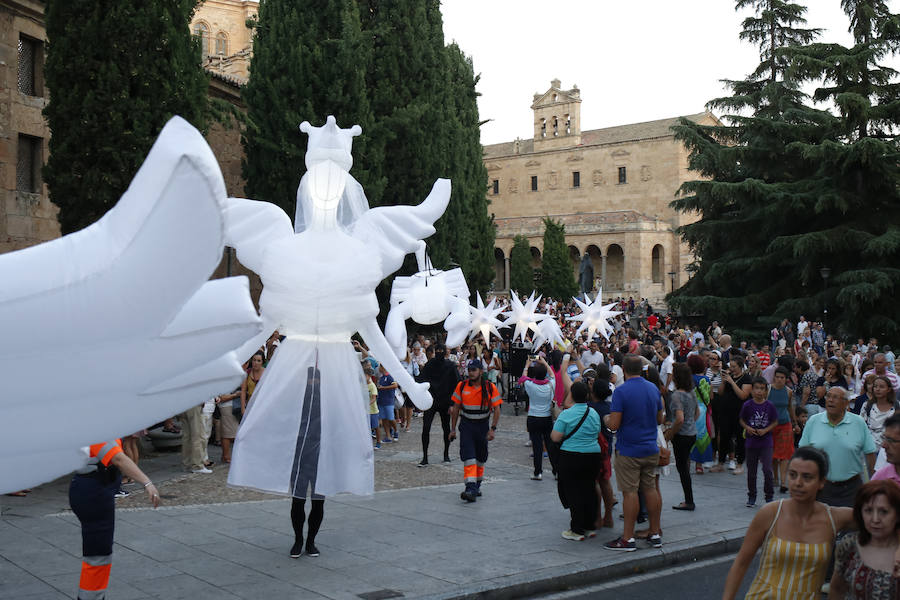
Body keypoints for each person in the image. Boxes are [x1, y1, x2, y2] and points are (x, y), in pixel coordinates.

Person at [721, 447, 855, 599]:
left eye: (807, 477)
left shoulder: (834, 518)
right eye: (792, 475)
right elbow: (741, 563)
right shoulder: (770, 513)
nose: (798, 483)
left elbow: (879, 520)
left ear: (822, 482)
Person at [69, 439, 160, 599]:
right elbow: (118, 458)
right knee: (97, 555)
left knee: (99, 553)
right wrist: (147, 483)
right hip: (93, 491)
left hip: (94, 488)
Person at [602, 355, 664, 551]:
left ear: (624, 369)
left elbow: (614, 424)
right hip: (650, 447)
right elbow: (659, 419)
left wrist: (605, 419)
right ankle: (655, 533)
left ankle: (627, 538)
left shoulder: (621, 391)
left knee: (630, 493)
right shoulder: (653, 388)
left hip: (629, 449)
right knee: (650, 489)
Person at [799, 387, 876, 507]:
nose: (830, 400)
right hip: (820, 487)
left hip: (851, 488)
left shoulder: (858, 422)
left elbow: (870, 454)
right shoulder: (814, 421)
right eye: (828, 396)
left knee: (851, 524)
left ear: (846, 403)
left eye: (835, 397)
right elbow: (802, 455)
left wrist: (873, 485)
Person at [551, 369, 602, 541]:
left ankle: (577, 528)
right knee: (588, 490)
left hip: (571, 456)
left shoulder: (567, 414)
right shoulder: (593, 413)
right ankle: (589, 526)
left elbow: (555, 437)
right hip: (593, 456)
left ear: (572, 396)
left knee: (573, 492)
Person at [830, 480, 900, 598]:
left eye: (884, 512)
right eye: (868, 510)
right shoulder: (849, 545)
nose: (875, 519)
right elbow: (837, 588)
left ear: (897, 515)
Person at [449, 360, 502, 502]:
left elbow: (497, 408)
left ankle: (477, 485)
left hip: (482, 426)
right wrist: (452, 429)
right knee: (469, 457)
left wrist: (493, 429)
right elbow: (455, 408)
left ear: (480, 371)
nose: (471, 372)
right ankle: (470, 487)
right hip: (466, 426)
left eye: (474, 370)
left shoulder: (490, 387)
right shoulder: (461, 386)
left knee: (480, 458)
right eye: (469, 370)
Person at [740, 377, 778, 507]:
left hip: (766, 442)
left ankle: (769, 495)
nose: (759, 391)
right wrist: (748, 428)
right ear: (752, 390)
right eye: (756, 388)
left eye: (762, 389)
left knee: (767, 469)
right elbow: (742, 420)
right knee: (752, 471)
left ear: (766, 391)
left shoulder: (770, 406)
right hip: (751, 442)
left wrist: (766, 430)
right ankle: (752, 495)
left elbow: (775, 421)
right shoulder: (747, 405)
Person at [418, 344, 459, 466]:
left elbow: (456, 384)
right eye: (438, 350)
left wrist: (452, 403)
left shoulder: (450, 366)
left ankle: (446, 454)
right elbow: (421, 379)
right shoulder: (430, 364)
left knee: (446, 428)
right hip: (431, 400)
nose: (440, 352)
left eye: (442, 350)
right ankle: (425, 456)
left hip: (445, 401)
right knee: (426, 428)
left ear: (445, 352)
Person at [666, 363, 698, 511]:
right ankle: (689, 499)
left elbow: (679, 419)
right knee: (685, 466)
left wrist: (671, 433)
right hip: (692, 433)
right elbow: (697, 412)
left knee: (682, 468)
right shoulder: (691, 392)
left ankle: (689, 501)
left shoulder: (677, 395)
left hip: (682, 435)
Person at [520, 355, 556, 480]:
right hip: (546, 417)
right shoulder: (550, 385)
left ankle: (538, 472)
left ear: (534, 374)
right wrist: (545, 362)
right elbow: (552, 375)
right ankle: (555, 471)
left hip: (533, 417)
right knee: (549, 445)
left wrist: (527, 364)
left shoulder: (530, 385)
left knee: (537, 446)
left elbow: (524, 377)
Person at [718, 355, 752, 474]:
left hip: (740, 413)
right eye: (730, 366)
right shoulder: (729, 377)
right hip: (726, 412)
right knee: (724, 437)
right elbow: (721, 392)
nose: (731, 369)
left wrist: (732, 382)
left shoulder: (746, 378)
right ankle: (720, 463)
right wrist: (723, 380)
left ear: (740, 366)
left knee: (739, 438)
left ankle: (739, 464)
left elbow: (743, 395)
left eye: (734, 366)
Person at [768, 367, 797, 494]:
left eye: (782, 378)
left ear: (786, 379)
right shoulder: (768, 389)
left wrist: (795, 422)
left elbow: (790, 407)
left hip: (785, 424)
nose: (779, 380)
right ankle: (775, 477)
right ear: (774, 377)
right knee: (773, 454)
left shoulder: (789, 391)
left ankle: (783, 482)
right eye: (777, 377)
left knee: (784, 455)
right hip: (770, 426)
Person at [863, 375, 900, 472]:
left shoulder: (897, 406)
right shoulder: (867, 405)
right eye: (875, 386)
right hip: (871, 450)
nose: (877, 389)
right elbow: (862, 426)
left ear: (889, 389)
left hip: (890, 450)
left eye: (881, 387)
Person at [688, 354, 714, 474]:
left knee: (687, 435)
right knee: (701, 435)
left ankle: (686, 463)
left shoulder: (688, 379)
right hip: (703, 411)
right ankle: (699, 465)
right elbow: (711, 396)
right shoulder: (707, 379)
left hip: (690, 410)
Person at [376, 364, 399, 444]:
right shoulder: (381, 378)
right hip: (381, 401)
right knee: (384, 419)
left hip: (388, 401)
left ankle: (396, 430)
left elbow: (395, 385)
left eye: (380, 367)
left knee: (390, 418)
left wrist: (383, 388)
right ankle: (388, 436)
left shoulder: (389, 376)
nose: (379, 368)